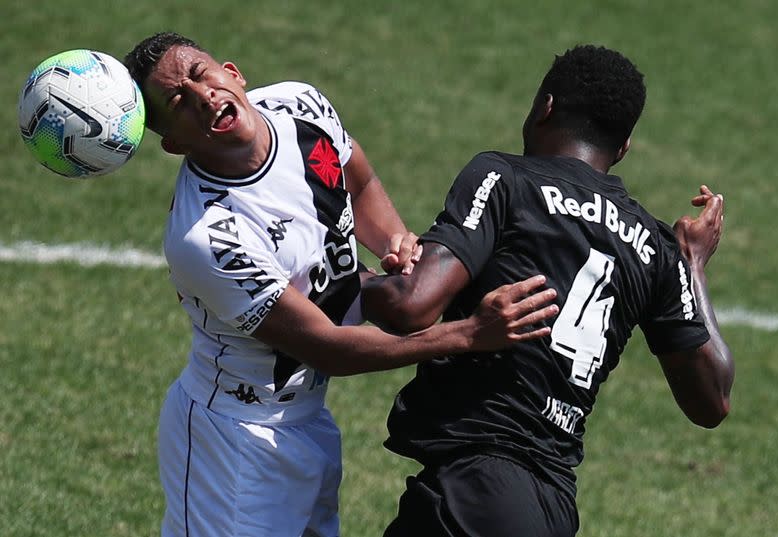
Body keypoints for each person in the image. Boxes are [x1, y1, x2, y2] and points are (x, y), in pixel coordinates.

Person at [122, 32, 559, 537]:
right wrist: (468, 334)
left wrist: (394, 238)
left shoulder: (299, 104)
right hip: (236, 443)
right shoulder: (209, 235)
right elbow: (329, 348)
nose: (202, 97)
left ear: (233, 73)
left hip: (309, 422)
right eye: (177, 102)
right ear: (173, 143)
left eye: (201, 76)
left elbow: (361, 182)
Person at [361, 44, 734, 537]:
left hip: (477, 488)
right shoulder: (657, 248)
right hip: (552, 505)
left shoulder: (505, 179)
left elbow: (411, 306)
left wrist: (332, 272)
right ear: (623, 148)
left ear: (546, 106)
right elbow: (713, 399)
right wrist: (694, 268)